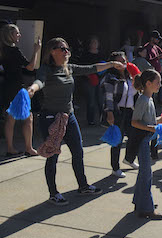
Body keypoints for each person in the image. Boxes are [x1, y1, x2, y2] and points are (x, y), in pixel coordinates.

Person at [27, 37, 126, 205]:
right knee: (53, 156)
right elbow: (39, 82)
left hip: (69, 116)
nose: (66, 52)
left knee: (78, 152)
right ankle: (53, 193)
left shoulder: (69, 68)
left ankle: (83, 185)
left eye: (67, 49)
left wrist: (111, 64)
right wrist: (32, 89)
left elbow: (92, 68)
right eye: (62, 48)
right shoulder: (46, 69)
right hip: (50, 118)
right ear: (52, 51)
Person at [1, 24, 41, 157]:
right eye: (17, 33)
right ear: (10, 35)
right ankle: (29, 148)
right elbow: (30, 67)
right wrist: (36, 50)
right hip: (17, 88)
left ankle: (10, 148)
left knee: (10, 119)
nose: (19, 35)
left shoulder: (3, 50)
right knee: (28, 118)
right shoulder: (14, 51)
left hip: (7, 86)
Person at [131, 69, 162, 220]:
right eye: (158, 83)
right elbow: (134, 122)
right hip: (141, 141)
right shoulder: (143, 100)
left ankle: (140, 202)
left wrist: (160, 120)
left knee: (144, 173)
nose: (160, 85)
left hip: (145, 140)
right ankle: (146, 209)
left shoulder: (149, 99)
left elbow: (148, 121)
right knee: (146, 174)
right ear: (148, 84)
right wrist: (152, 128)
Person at [102, 51, 137, 178]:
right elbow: (108, 97)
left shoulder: (130, 76)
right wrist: (109, 113)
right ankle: (115, 168)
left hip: (130, 110)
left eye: (124, 60)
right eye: (119, 61)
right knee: (117, 140)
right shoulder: (111, 77)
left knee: (133, 137)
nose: (122, 63)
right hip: (118, 111)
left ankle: (129, 158)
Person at [78, 35, 105, 125]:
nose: (94, 44)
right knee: (91, 101)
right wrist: (88, 75)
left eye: (96, 42)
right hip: (89, 80)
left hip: (100, 79)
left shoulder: (101, 54)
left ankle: (104, 119)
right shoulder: (85, 55)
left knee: (101, 100)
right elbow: (81, 67)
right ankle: (91, 120)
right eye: (92, 42)